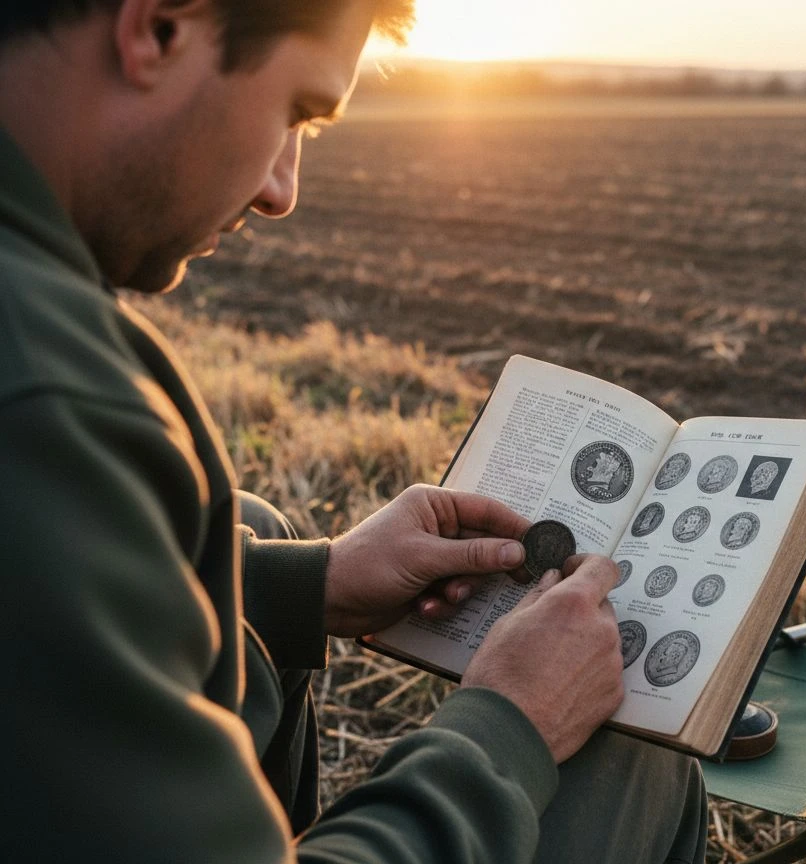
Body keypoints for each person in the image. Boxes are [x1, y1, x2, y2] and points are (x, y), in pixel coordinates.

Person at [0, 1, 708, 862]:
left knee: (251, 529)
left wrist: (315, 586)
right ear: (158, 29)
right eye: (296, 112)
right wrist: (509, 729)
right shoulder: (47, 399)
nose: (281, 191)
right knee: (623, 752)